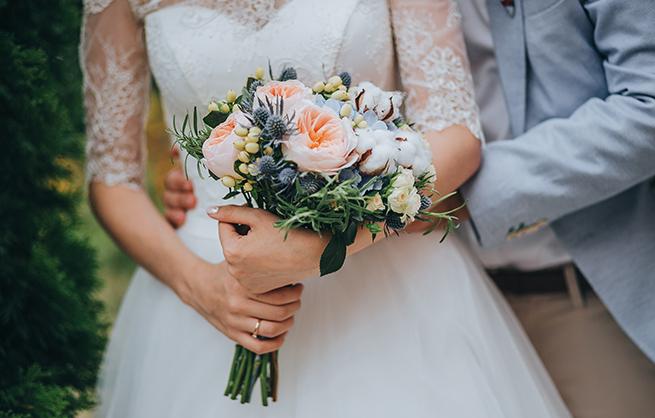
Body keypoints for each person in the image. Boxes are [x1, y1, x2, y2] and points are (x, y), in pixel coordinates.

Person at [166, 1, 655, 416]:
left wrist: (343, 233)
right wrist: (216, 169)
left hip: (574, 286)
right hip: (404, 299)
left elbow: (646, 103)